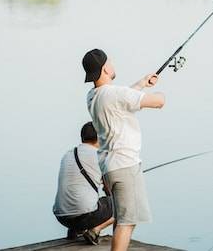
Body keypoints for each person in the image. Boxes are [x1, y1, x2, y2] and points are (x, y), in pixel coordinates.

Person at [82, 49, 165, 251]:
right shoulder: (114, 94)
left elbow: (120, 101)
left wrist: (141, 84)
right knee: (127, 222)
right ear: (105, 68)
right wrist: (160, 93)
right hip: (126, 165)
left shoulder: (93, 96)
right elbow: (158, 102)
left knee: (121, 219)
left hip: (109, 167)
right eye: (110, 62)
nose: (112, 64)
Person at [53, 122, 114, 245]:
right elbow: (110, 190)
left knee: (79, 195)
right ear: (100, 137)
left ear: (82, 137)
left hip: (62, 217)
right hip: (84, 216)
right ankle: (95, 231)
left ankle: (75, 231)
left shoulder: (68, 154)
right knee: (123, 202)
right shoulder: (100, 156)